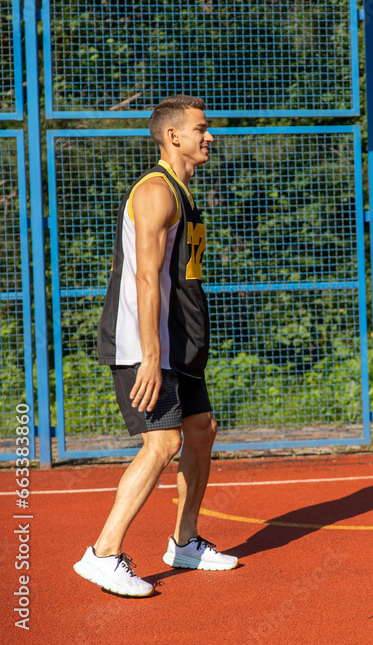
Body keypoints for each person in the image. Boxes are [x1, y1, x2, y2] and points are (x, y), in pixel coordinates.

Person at [74, 95, 237, 597]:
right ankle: (102, 553)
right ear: (174, 137)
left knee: (201, 431)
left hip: (179, 342)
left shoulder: (184, 193)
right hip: (145, 344)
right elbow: (145, 278)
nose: (209, 136)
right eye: (201, 129)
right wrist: (150, 356)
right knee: (163, 443)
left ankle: (184, 543)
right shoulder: (155, 193)